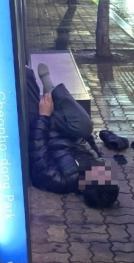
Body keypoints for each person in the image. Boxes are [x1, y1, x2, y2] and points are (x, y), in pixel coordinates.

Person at [27, 64, 118, 207]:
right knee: (85, 126)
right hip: (62, 127)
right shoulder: (95, 167)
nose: (103, 169)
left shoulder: (59, 182)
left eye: (103, 176)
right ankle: (49, 88)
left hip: (40, 127)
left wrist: (44, 116)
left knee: (25, 75)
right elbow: (89, 142)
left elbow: (38, 151)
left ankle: (47, 91)